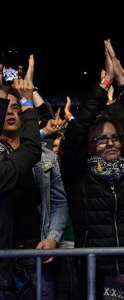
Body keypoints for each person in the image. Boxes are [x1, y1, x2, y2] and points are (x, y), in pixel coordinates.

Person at [61, 40, 124, 299]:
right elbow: (78, 129)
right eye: (101, 139)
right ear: (90, 146)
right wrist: (104, 85)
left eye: (114, 137)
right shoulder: (79, 174)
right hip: (94, 273)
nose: (110, 143)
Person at [0, 82, 42, 299]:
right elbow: (33, 148)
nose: (10, 113)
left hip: (28, 247)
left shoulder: (48, 158)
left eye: (14, 108)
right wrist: (26, 101)